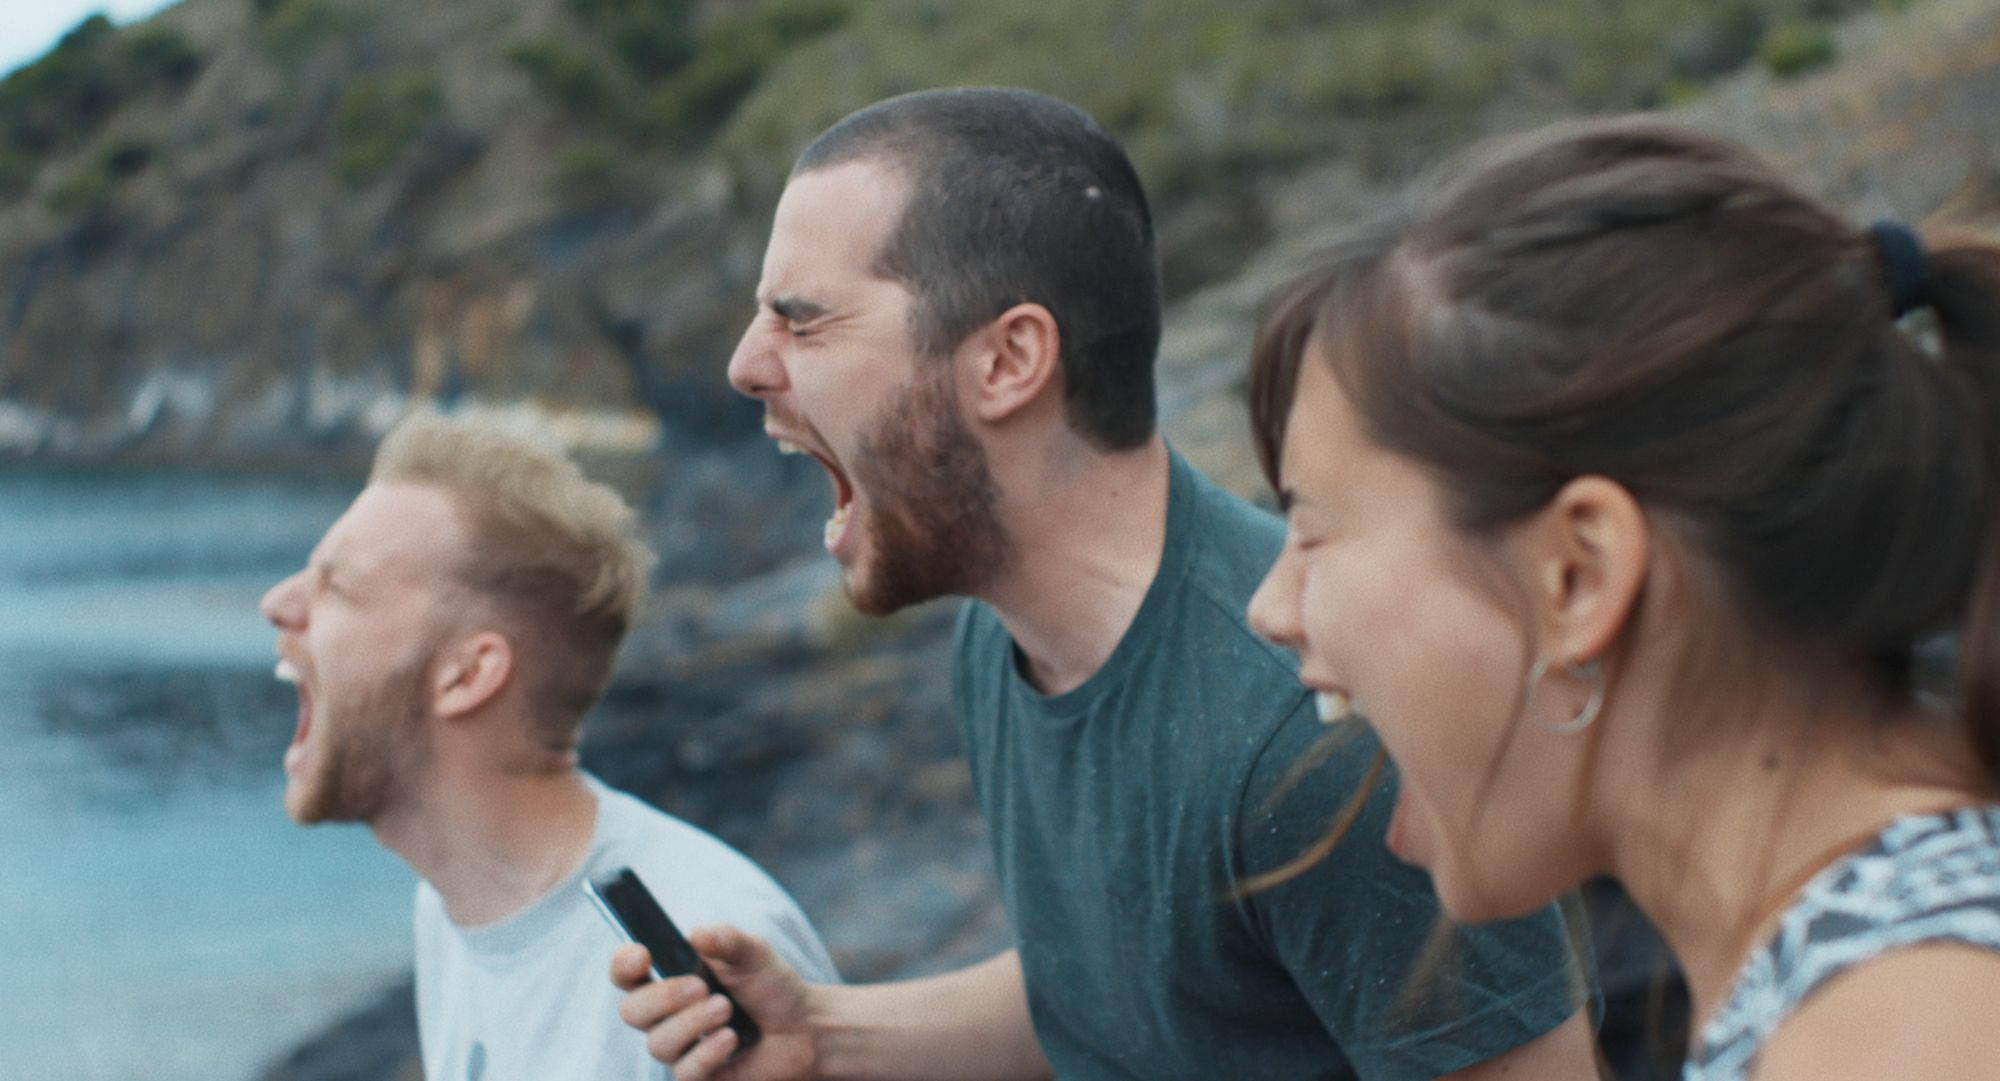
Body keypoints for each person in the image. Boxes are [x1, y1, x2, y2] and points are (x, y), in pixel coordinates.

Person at [613, 86, 1597, 1081]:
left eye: (802, 320)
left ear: (1007, 359)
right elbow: (1116, 994)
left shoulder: (1313, 726)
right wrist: (824, 1035)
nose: (744, 365)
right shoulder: (1000, 640)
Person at [1243, 116, 2000, 1081]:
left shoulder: (1896, 1035)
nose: (1272, 605)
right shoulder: (1877, 962)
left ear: (1578, 576)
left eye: (1310, 530)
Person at [262, 412, 838, 1081]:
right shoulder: (453, 906)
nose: (277, 602)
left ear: (469, 673)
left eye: (337, 583)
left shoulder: (705, 956)